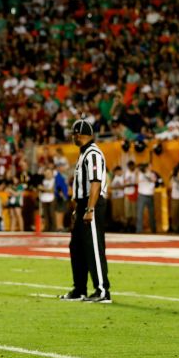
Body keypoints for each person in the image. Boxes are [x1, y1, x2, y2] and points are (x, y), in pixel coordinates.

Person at [59, 119, 111, 304]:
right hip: (83, 203)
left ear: (81, 135)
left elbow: (95, 183)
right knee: (77, 247)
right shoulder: (83, 154)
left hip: (93, 203)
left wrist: (90, 208)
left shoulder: (93, 154)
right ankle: (80, 288)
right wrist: (78, 208)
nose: (73, 137)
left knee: (94, 247)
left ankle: (102, 290)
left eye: (74, 133)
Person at [136, 163, 157, 233]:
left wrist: (148, 176)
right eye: (150, 166)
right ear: (146, 167)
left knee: (152, 213)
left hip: (150, 195)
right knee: (140, 213)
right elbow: (137, 181)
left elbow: (154, 180)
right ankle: (139, 230)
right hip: (142, 195)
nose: (151, 167)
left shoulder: (153, 174)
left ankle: (153, 229)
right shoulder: (140, 174)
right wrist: (139, 173)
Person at [123, 161, 138, 231]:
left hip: (134, 193)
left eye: (133, 166)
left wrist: (132, 184)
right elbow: (125, 183)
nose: (132, 167)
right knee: (127, 212)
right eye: (130, 166)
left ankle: (133, 227)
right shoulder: (126, 173)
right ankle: (127, 227)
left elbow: (137, 183)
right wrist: (132, 184)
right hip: (127, 194)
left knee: (134, 212)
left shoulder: (136, 173)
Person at [109, 166, 124, 231]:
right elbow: (110, 187)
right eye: (116, 171)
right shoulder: (114, 178)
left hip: (120, 197)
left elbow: (123, 187)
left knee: (120, 213)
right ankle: (117, 227)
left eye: (119, 171)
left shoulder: (122, 178)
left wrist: (116, 187)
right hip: (114, 197)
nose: (118, 172)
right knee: (115, 214)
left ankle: (122, 227)